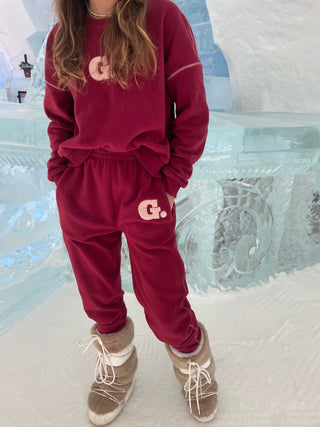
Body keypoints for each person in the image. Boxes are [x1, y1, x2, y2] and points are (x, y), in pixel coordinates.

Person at [44, 0, 218, 424]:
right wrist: (63, 175)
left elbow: (192, 109)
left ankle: (193, 358)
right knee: (97, 296)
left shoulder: (161, 17)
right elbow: (58, 115)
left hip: (144, 182)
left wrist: (172, 180)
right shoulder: (62, 33)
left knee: (163, 295)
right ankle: (119, 365)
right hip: (83, 185)